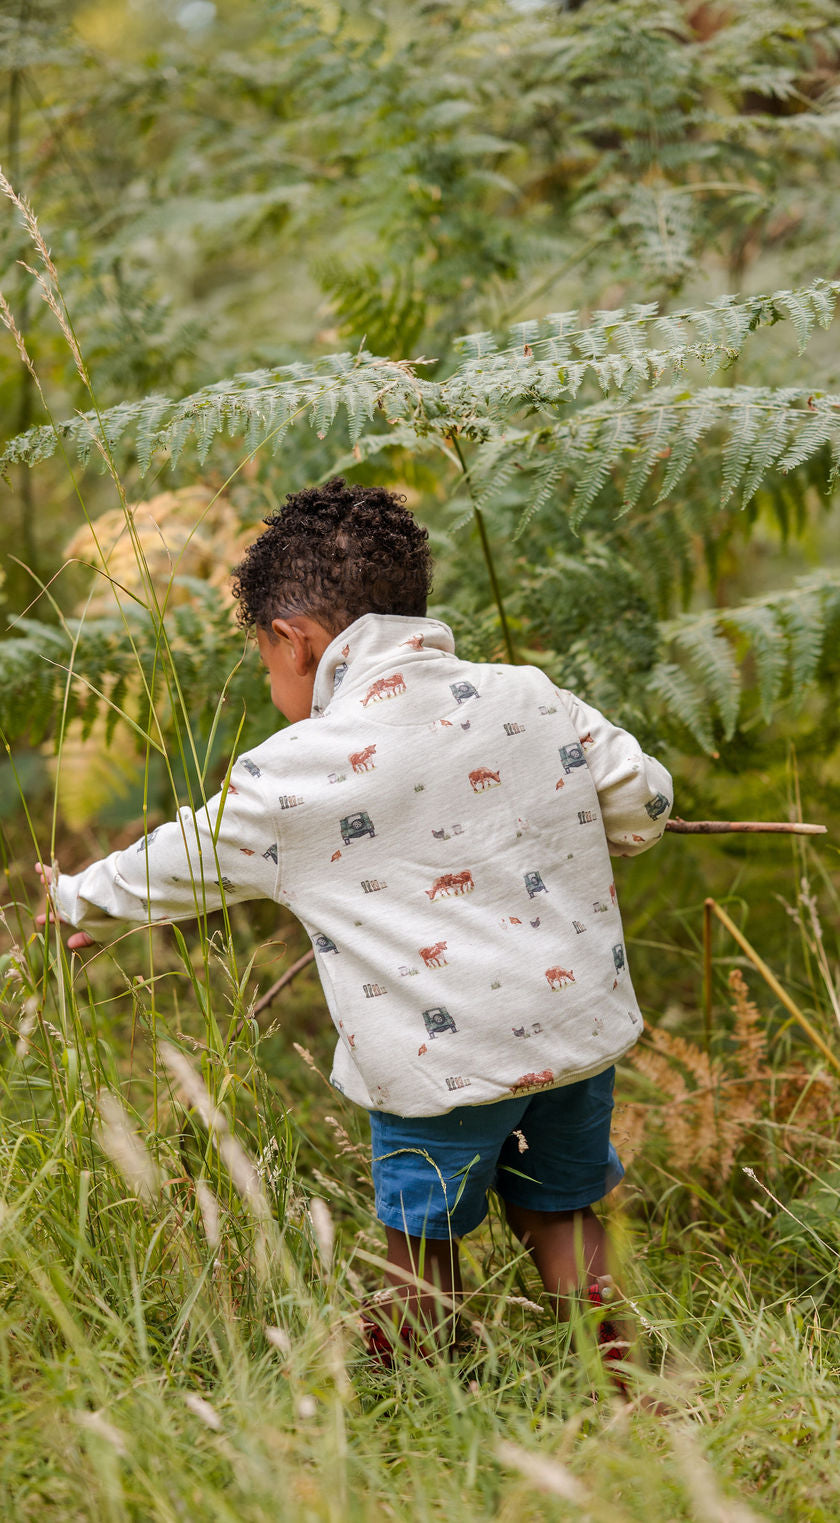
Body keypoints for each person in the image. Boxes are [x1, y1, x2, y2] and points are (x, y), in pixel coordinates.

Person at [37, 478, 673, 1379]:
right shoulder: (531, 696)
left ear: (295, 640)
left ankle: (409, 1385)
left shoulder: (295, 771)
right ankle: (638, 1388)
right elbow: (644, 800)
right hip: (574, 1032)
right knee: (561, 1214)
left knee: (422, 1240)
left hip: (442, 1063)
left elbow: (183, 856)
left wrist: (79, 900)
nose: (272, 681)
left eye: (266, 659)